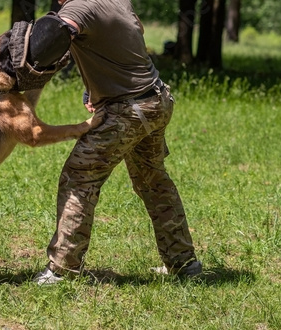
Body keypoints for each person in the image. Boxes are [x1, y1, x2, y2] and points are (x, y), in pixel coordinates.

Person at [34, 0, 202, 284]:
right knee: (153, 181)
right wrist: (94, 88)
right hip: (156, 100)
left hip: (127, 111)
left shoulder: (76, 9)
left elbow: (52, 40)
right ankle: (183, 263)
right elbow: (134, 29)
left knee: (80, 178)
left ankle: (62, 269)